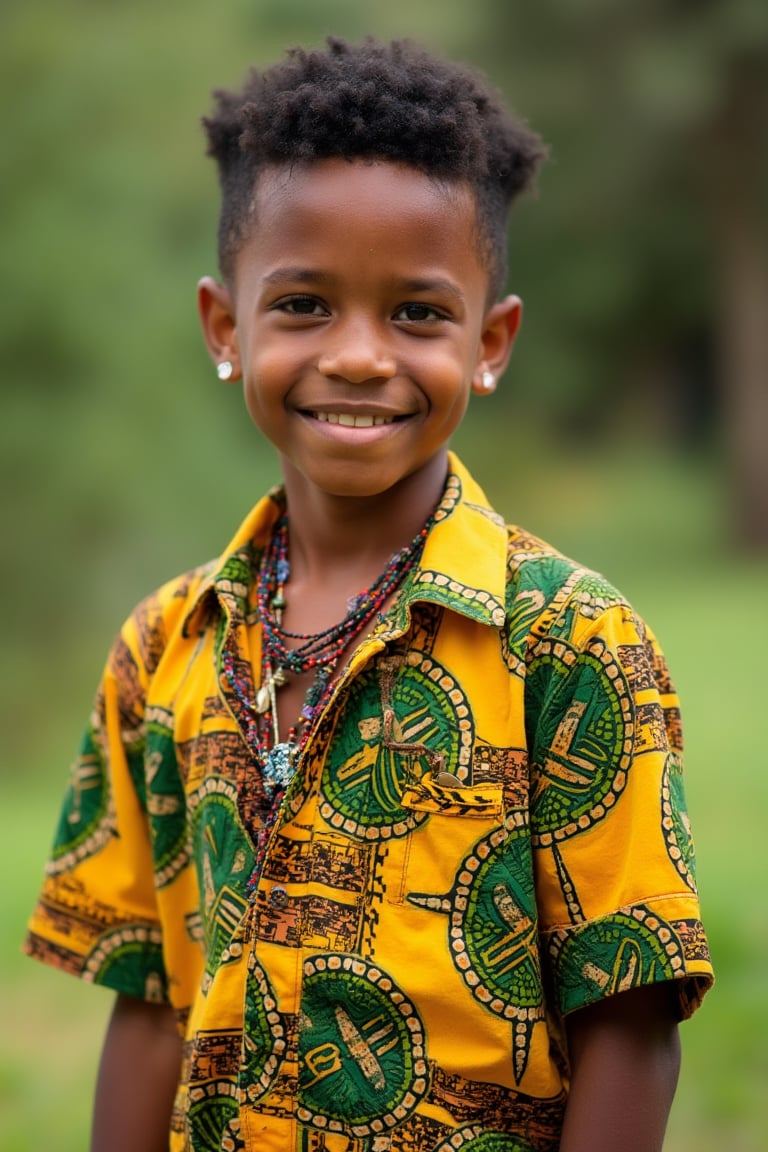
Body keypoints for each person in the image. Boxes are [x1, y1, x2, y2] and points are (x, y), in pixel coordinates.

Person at [24, 36, 713, 1152]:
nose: (357, 356)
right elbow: (149, 1004)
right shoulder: (163, 646)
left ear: (491, 342)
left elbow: (631, 1022)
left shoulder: (571, 641)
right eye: (302, 304)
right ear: (223, 326)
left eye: (416, 314)